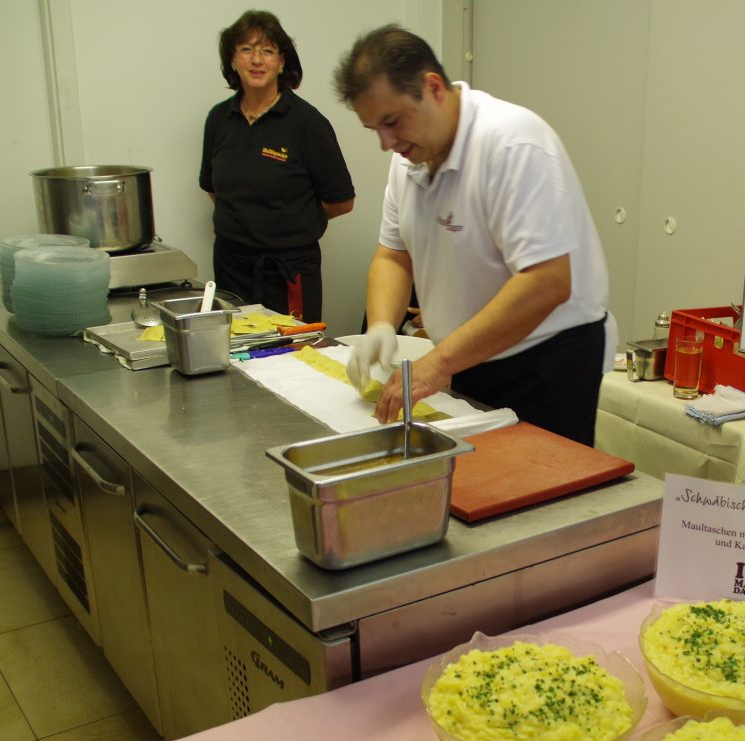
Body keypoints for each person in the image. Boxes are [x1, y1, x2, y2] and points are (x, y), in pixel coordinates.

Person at [334, 25, 615, 446]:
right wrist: (380, 326)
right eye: (374, 128)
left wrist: (440, 361)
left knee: (539, 501)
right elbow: (393, 256)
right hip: (468, 356)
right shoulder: (409, 157)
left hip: (544, 362)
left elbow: (547, 281)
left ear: (432, 87)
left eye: (391, 122)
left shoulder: (512, 144)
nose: (385, 142)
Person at [200, 10, 355, 322]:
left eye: (267, 51)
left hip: (289, 272)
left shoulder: (307, 123)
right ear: (232, 60)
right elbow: (213, 189)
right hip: (231, 269)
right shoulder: (219, 119)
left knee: (293, 361)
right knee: (235, 358)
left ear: (282, 62)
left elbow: (341, 201)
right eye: (246, 49)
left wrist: (289, 221)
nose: (257, 60)